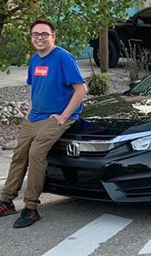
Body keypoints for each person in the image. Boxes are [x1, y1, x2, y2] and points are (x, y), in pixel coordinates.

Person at [0, 19, 87, 228]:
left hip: (56, 118)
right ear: (31, 39)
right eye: (36, 35)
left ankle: (31, 208)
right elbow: (35, 88)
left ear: (53, 37)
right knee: (19, 155)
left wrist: (64, 116)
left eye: (44, 34)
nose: (40, 38)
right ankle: (6, 201)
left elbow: (81, 89)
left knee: (36, 153)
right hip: (34, 117)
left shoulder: (63, 58)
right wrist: (29, 111)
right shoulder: (34, 60)